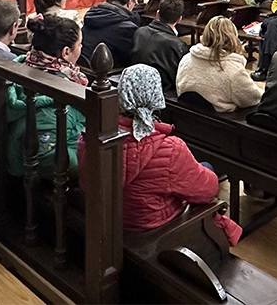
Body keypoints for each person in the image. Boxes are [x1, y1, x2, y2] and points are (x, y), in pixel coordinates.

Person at [84, 64, 239, 240]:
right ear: (156, 97)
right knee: (207, 170)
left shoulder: (90, 134)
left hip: (106, 221)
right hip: (154, 229)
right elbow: (208, 191)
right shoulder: (170, 149)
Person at [4, 15, 87, 178]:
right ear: (66, 52)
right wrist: (88, 161)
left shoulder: (20, 66)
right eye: (79, 44)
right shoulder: (56, 92)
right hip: (36, 179)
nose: (82, 47)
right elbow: (47, 156)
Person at [176, 16, 263, 112]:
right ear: (232, 37)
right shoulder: (233, 72)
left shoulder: (186, 59)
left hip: (186, 118)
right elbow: (254, 99)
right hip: (218, 123)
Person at [131, 0, 190, 92]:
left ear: (157, 14)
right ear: (179, 19)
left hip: (135, 85)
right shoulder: (177, 45)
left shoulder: (139, 32)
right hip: (162, 92)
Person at [80, 0, 141, 67]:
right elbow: (132, 58)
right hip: (102, 72)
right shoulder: (127, 27)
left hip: (81, 64)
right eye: (135, 3)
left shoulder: (94, 13)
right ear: (130, 2)